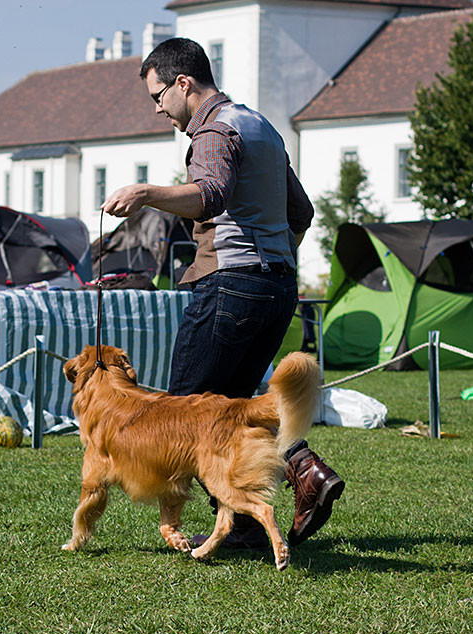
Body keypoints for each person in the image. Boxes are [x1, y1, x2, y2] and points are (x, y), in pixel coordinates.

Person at [101, 37, 343, 550]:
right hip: (278, 286)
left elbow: (209, 194)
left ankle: (289, 479)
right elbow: (301, 213)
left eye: (158, 96)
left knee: (182, 412)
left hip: (231, 285)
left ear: (183, 83)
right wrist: (272, 259)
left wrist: (146, 193)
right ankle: (267, 508)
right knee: (234, 410)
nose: (158, 109)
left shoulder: (213, 130)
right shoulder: (261, 127)